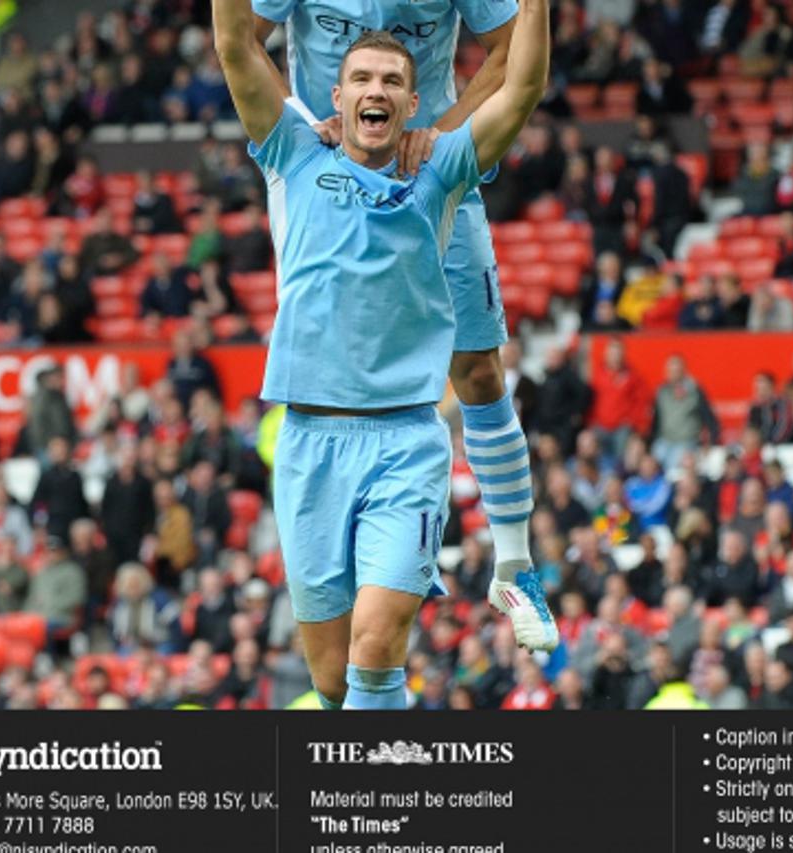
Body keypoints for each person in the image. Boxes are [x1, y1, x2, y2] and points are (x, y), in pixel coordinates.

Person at [216, 0, 553, 710]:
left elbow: (515, 71)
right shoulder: (296, 154)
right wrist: (314, 124)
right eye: (361, 79)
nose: (376, 90)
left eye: (390, 79)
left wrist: (439, 137)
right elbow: (237, 43)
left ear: (408, 93)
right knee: (333, 679)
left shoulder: (442, 170)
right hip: (312, 437)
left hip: (403, 430)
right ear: (340, 94)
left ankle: (517, 565)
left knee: (482, 369)